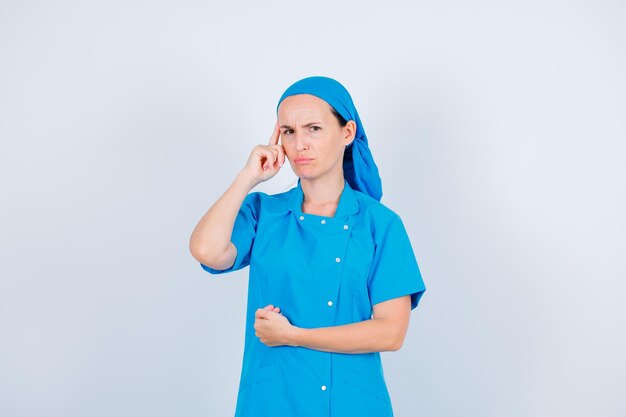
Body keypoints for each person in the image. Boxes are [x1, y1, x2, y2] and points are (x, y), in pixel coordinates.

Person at [189, 76, 426, 417]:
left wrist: (294, 335)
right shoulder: (263, 213)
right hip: (272, 402)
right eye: (288, 131)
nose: (299, 144)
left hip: (351, 405)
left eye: (313, 128)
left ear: (347, 133)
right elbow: (207, 251)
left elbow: (390, 332)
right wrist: (248, 177)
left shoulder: (379, 224)